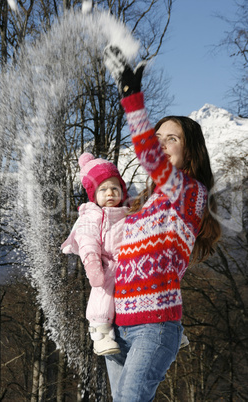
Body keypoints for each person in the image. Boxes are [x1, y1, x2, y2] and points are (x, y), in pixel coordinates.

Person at [103, 45, 221, 401]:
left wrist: (131, 99)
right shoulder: (145, 203)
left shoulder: (189, 192)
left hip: (155, 326)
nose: (162, 143)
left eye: (173, 138)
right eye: (160, 137)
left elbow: (149, 158)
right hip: (119, 327)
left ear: (190, 150)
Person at [61, 152, 129, 356]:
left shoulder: (128, 210)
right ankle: (100, 331)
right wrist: (92, 263)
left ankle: (165, 323)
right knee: (104, 288)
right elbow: (87, 240)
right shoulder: (92, 215)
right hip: (107, 263)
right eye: (104, 189)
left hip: (130, 260)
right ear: (94, 194)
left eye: (115, 188)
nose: (110, 193)